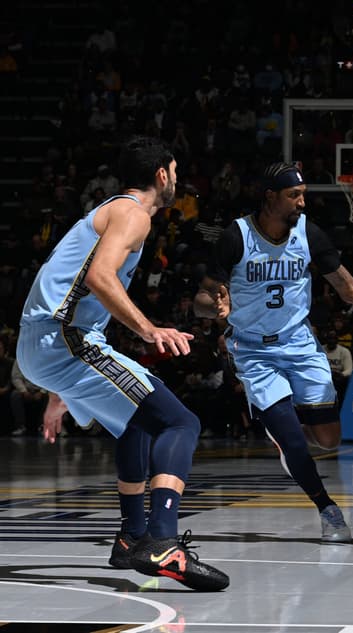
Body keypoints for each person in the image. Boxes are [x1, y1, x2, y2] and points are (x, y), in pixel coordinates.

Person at [16, 136, 228, 591]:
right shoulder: (133, 214)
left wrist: (58, 391)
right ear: (161, 175)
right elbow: (99, 277)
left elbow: (68, 283)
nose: (177, 181)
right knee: (180, 422)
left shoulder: (110, 211)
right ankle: (163, 541)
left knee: (138, 424)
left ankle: (131, 537)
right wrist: (150, 330)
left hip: (47, 345)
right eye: (175, 172)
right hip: (63, 340)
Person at [195, 161, 353, 542]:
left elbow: (351, 291)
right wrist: (214, 307)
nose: (302, 202)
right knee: (293, 439)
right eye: (294, 195)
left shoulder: (309, 234)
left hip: (300, 344)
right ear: (270, 197)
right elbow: (200, 300)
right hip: (253, 351)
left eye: (303, 195)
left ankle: (289, 435)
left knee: (328, 439)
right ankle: (328, 509)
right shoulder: (236, 236)